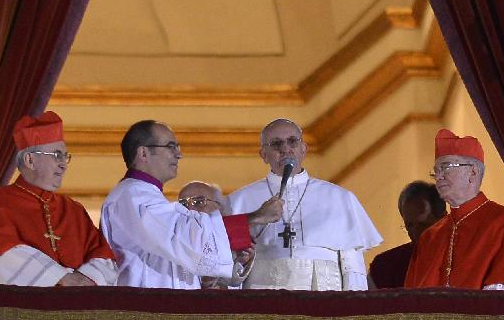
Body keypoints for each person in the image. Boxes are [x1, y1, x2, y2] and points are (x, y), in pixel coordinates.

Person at [101, 120, 283, 289]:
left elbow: (180, 253)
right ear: (143, 153)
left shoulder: (145, 195)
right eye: (170, 146)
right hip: (147, 309)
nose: (178, 154)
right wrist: (255, 217)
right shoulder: (133, 196)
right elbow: (184, 237)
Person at [0, 111, 116, 286]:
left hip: (74, 307)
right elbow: (0, 254)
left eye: (65, 157)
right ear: (30, 160)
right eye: (56, 156)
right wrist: (61, 278)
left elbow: (103, 255)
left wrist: (87, 279)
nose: (63, 164)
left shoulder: (73, 209)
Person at [228, 118, 382, 290]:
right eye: (276, 144)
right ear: (264, 155)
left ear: (303, 149)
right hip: (264, 299)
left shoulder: (340, 197)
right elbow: (226, 269)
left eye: (292, 141)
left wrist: (354, 308)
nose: (285, 149)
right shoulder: (240, 200)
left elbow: (352, 267)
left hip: (325, 297)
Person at [404, 129, 504, 290]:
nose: (438, 177)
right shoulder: (429, 237)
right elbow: (411, 299)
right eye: (435, 171)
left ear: (473, 171)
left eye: (446, 167)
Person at [369, 181, 446, 288]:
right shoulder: (384, 265)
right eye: (409, 225)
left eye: (423, 225)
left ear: (444, 219)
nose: (415, 233)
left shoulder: (460, 258)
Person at [177, 181, 253, 289]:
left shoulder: (236, 238)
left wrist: (242, 262)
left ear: (218, 207)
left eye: (199, 202)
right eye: (183, 204)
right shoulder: (173, 240)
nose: (190, 209)